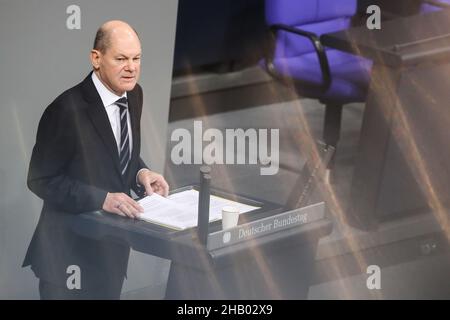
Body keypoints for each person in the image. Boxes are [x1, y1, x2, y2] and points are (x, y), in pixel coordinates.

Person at [23, 20, 169, 299]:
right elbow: (41, 179)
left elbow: (114, 153)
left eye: (137, 58)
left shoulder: (134, 94)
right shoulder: (66, 110)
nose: (131, 67)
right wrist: (102, 198)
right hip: (68, 257)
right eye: (121, 59)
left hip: (111, 254)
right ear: (96, 59)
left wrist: (141, 173)